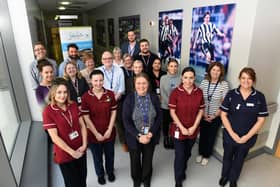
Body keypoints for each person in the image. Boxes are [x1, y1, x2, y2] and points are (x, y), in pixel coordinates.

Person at [219, 67, 268, 187]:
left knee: (240, 159)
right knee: (227, 156)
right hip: (230, 135)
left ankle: (233, 179)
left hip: (248, 137)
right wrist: (232, 133)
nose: (246, 81)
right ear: (239, 79)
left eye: (249, 78)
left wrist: (246, 137)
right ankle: (224, 175)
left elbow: (261, 120)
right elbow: (223, 115)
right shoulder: (231, 95)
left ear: (254, 80)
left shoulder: (259, 97)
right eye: (243, 78)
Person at [42, 78, 87, 187]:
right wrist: (72, 152)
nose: (63, 95)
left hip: (80, 150)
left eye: (65, 92)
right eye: (59, 92)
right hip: (65, 155)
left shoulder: (73, 105)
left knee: (82, 179)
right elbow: (55, 138)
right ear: (53, 93)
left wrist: (84, 145)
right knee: (72, 183)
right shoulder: (48, 112)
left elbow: (82, 126)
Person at [122, 73, 162, 187]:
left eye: (144, 83)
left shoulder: (154, 97)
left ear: (148, 84)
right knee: (134, 160)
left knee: (148, 158)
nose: (141, 86)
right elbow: (126, 121)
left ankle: (146, 178)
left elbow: (159, 117)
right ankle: (136, 179)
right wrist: (139, 136)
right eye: (138, 83)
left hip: (150, 135)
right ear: (134, 84)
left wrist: (151, 133)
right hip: (134, 137)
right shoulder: (129, 99)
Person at [169, 67, 204, 187]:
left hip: (193, 130)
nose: (188, 81)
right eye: (185, 78)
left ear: (194, 78)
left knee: (188, 153)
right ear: (181, 78)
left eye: (191, 78)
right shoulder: (175, 92)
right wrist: (182, 127)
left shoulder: (199, 92)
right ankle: (178, 179)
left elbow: (201, 110)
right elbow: (172, 112)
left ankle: (182, 168)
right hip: (179, 129)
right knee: (179, 154)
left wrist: (194, 126)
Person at [81, 70, 117, 185]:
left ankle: (110, 171)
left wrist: (110, 129)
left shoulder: (110, 94)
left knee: (110, 155)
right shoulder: (86, 97)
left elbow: (113, 112)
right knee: (97, 157)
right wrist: (96, 134)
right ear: (91, 81)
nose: (98, 83)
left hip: (109, 132)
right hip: (93, 134)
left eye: (101, 80)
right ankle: (100, 175)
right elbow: (86, 117)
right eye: (95, 81)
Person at [196, 62, 229, 166]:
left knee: (211, 137)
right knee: (203, 135)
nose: (215, 72)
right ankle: (201, 153)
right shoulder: (205, 82)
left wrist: (215, 115)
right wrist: (203, 114)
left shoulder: (224, 84)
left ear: (221, 72)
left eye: (218, 70)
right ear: (210, 70)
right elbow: (199, 98)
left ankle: (206, 155)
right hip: (203, 114)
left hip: (216, 116)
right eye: (213, 70)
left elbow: (224, 102)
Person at [160, 58, 180, 149]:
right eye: (171, 66)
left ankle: (173, 138)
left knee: (174, 123)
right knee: (165, 123)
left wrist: (176, 106)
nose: (173, 68)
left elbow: (181, 94)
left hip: (178, 107)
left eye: (175, 66)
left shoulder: (181, 78)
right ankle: (166, 138)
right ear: (167, 67)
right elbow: (162, 93)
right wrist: (170, 105)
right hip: (165, 106)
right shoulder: (163, 78)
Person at [117, 53, 134, 152]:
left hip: (133, 99)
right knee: (121, 121)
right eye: (126, 60)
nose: (128, 62)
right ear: (123, 62)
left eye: (129, 60)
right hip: (122, 100)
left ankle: (132, 139)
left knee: (132, 120)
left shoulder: (135, 70)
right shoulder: (120, 71)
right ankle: (123, 142)